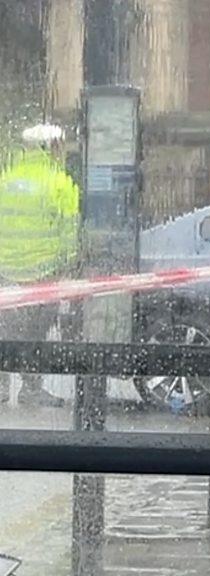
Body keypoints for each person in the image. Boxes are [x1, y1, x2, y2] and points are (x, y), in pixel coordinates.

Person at [0, 124, 81, 407]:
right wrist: (68, 267)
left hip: (5, 271)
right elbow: (69, 234)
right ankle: (31, 388)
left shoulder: (7, 179)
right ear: (51, 148)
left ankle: (0, 387)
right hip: (42, 273)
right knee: (36, 334)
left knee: (5, 330)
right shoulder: (59, 182)